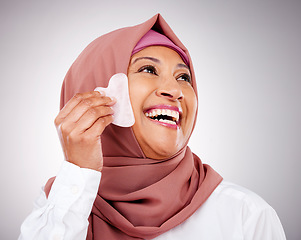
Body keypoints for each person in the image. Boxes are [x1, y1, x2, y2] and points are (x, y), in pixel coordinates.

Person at [19, 14, 286, 240]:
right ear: (93, 88)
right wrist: (79, 171)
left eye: (183, 77)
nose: (174, 90)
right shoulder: (58, 206)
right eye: (147, 70)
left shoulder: (246, 216)